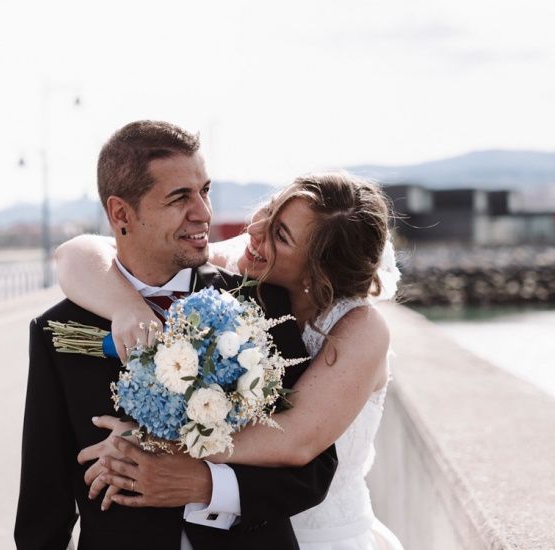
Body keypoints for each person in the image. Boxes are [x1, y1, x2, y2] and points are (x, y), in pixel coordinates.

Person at [14, 120, 337, 550]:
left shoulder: (261, 306)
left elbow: (315, 469)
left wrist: (205, 485)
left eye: (204, 190)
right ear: (121, 214)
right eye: (179, 197)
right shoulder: (59, 332)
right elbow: (43, 509)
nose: (203, 212)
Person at [57, 171, 404, 550]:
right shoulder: (242, 262)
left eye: (281, 235)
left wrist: (148, 442)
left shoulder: (361, 329)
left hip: (324, 539)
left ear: (319, 273)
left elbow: (294, 441)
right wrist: (126, 308)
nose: (255, 229)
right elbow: (74, 255)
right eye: (269, 210)